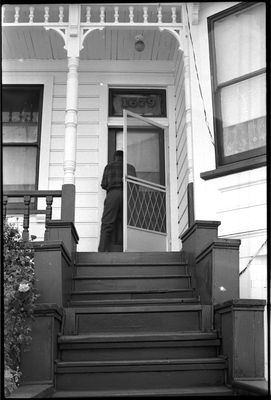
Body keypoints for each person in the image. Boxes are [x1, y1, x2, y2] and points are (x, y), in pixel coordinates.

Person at [98, 150, 136, 252]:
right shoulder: (130, 167)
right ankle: (131, 249)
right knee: (129, 223)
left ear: (115, 157)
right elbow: (135, 185)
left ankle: (102, 251)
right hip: (127, 195)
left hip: (113, 194)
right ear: (124, 157)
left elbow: (104, 184)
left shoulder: (109, 167)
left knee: (107, 223)